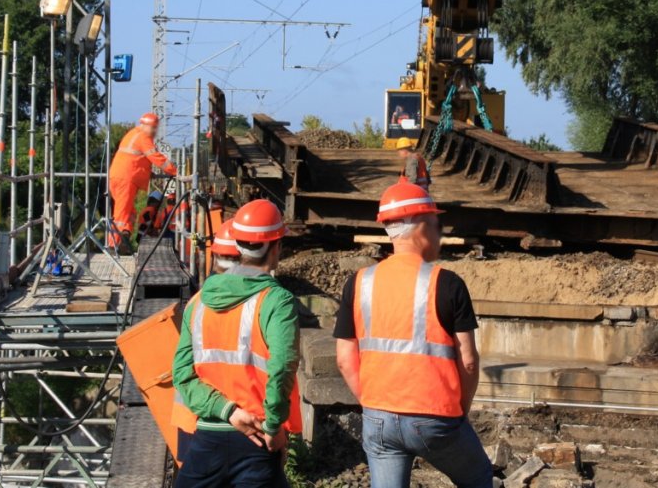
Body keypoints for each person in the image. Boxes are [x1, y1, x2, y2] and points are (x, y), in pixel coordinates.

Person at [333, 179, 491, 488]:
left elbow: (344, 359)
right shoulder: (447, 283)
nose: (438, 233)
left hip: (378, 415)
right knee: (479, 477)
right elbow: (468, 361)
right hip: (435, 415)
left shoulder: (359, 282)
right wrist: (460, 411)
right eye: (435, 224)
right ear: (420, 226)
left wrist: (373, 404)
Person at [172, 199, 300, 488]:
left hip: (207, 435)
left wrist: (228, 411)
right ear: (275, 245)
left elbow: (182, 374)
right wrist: (273, 426)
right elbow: (281, 368)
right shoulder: (277, 302)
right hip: (257, 437)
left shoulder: (198, 303)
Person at [108, 113, 176, 255]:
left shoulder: (134, 134)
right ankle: (114, 245)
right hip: (126, 179)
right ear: (145, 125)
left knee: (129, 213)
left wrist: (146, 172)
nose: (154, 131)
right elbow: (156, 157)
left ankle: (123, 243)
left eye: (155, 128)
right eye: (153, 128)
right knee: (121, 215)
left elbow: (137, 159)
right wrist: (175, 171)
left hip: (121, 177)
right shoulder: (143, 137)